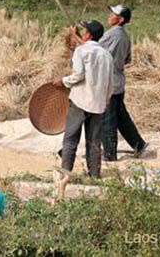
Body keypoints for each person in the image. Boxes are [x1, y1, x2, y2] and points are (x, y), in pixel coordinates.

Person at [52, 20, 114, 191]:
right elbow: (111, 84)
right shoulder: (106, 55)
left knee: (71, 138)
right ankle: (94, 174)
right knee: (94, 141)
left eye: (84, 30)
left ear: (88, 35)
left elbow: (78, 75)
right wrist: (105, 100)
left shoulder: (81, 51)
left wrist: (63, 81)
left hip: (80, 101)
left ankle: (65, 173)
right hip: (98, 103)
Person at [99, 5, 148, 162]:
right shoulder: (125, 36)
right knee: (121, 117)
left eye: (113, 14)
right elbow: (127, 59)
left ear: (120, 20)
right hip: (119, 81)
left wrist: (80, 41)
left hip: (109, 82)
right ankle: (138, 144)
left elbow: (95, 51)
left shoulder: (112, 34)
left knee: (108, 119)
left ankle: (109, 154)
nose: (109, 15)